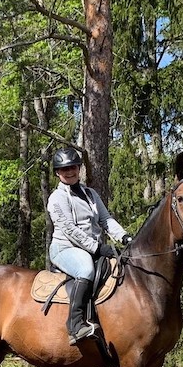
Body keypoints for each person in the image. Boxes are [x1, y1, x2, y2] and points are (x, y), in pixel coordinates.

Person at [46, 147, 132, 345]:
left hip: (89, 247)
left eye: (73, 167)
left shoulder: (91, 194)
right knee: (86, 268)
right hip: (65, 248)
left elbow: (105, 219)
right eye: (64, 169)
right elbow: (69, 229)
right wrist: (97, 248)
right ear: (58, 172)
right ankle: (75, 325)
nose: (69, 172)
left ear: (78, 168)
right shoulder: (56, 198)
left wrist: (125, 237)